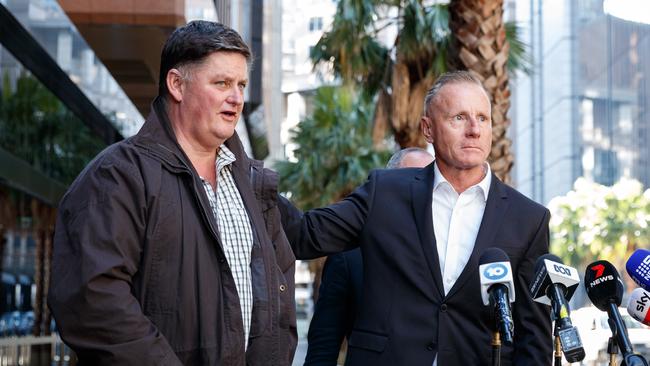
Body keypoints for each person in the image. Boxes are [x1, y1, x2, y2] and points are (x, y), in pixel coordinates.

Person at [48, 21, 297, 366]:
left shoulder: (252, 184)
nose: (236, 98)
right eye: (222, 83)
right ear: (177, 85)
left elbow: (278, 288)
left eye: (240, 84)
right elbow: (94, 302)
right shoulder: (118, 175)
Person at [283, 71, 552, 365]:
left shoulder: (528, 219)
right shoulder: (384, 193)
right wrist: (248, 175)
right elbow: (304, 235)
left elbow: (534, 340)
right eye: (459, 118)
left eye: (483, 118)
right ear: (428, 129)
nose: (474, 129)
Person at [304, 148, 434, 366]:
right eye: (413, 178)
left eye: (430, 181)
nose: (423, 187)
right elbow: (323, 346)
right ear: (388, 187)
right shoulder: (348, 256)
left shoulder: (457, 248)